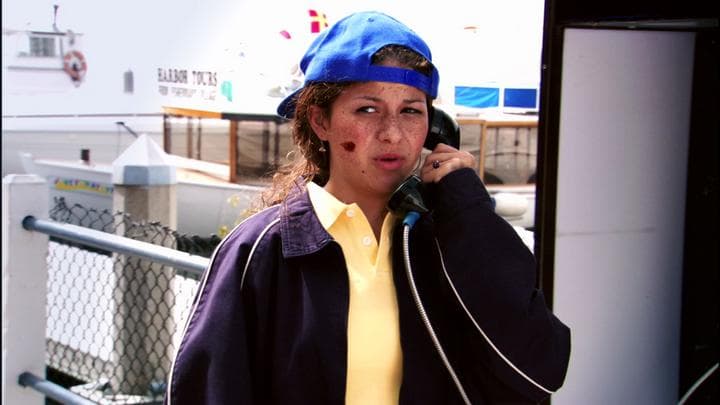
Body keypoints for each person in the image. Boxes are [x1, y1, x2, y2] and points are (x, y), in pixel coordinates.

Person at [165, 11, 570, 405]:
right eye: (367, 109)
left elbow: (538, 372)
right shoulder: (259, 253)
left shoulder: (448, 243)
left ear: (435, 127)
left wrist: (467, 209)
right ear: (321, 122)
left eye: (411, 110)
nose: (392, 133)